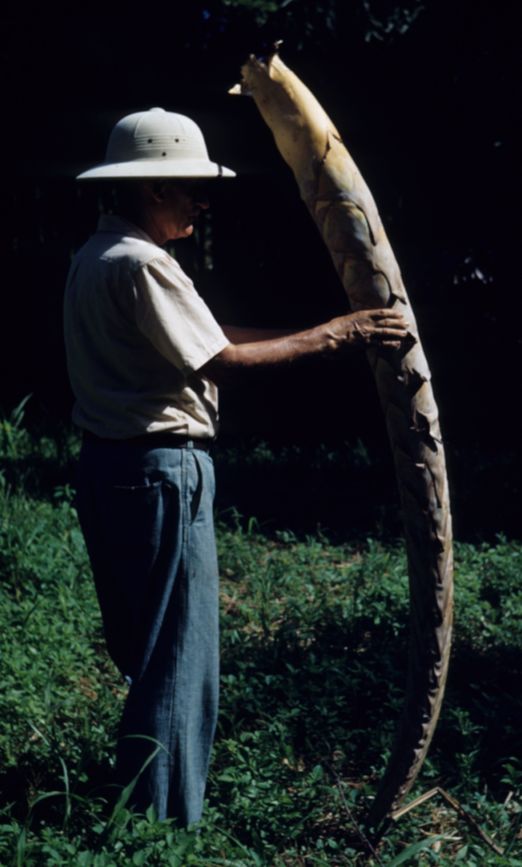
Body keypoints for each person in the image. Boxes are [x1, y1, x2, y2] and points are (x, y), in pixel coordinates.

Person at [64, 106, 409, 826]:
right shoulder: (142, 262)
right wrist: (343, 333)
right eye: (188, 187)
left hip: (112, 467)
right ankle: (160, 829)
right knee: (178, 658)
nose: (198, 200)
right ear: (153, 190)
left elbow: (207, 336)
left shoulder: (97, 256)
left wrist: (321, 331)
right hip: (161, 470)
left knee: (151, 648)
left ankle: (140, 809)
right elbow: (224, 359)